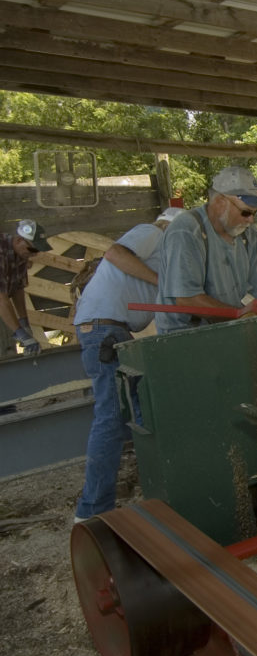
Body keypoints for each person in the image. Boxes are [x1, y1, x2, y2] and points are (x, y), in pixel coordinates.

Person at [72, 207, 186, 522]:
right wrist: (161, 281)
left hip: (112, 330)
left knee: (139, 413)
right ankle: (92, 512)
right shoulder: (153, 232)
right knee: (111, 420)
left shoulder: (161, 254)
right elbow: (114, 253)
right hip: (104, 330)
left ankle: (169, 494)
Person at [156, 166, 257, 334]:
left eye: (255, 213)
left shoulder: (251, 236)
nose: (251, 220)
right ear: (219, 202)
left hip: (233, 331)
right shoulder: (186, 231)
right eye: (245, 212)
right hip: (185, 336)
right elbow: (187, 300)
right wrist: (240, 315)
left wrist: (251, 314)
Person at [0, 219, 52, 356]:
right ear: (19, 240)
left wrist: (24, 323)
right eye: (33, 249)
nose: (34, 254)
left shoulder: (20, 254)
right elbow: (1, 299)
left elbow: (18, 288)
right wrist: (21, 334)